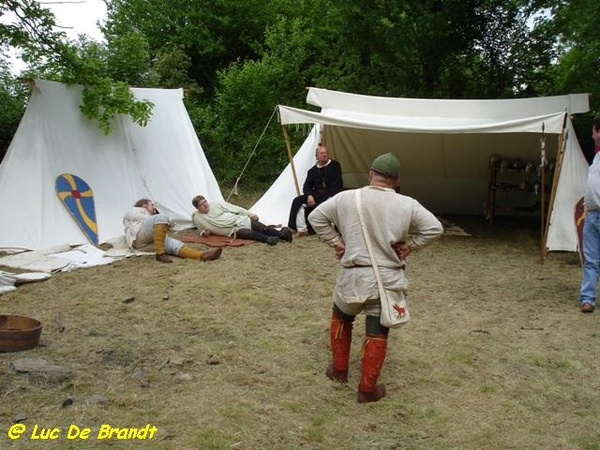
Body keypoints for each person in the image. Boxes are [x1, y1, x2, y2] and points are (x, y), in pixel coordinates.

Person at [308, 153, 443, 403]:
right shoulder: (407, 203)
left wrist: (337, 243)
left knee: (341, 316)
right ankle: (367, 390)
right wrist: (411, 246)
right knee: (377, 329)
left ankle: (339, 371)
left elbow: (315, 217)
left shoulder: (346, 197)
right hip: (386, 279)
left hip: (353, 275)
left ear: (370, 173)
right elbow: (434, 227)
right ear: (396, 180)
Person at [123, 198, 222, 263]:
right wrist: (161, 220)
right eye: (152, 205)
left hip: (145, 245)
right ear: (144, 205)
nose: (154, 207)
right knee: (160, 217)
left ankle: (202, 255)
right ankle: (160, 254)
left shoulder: (150, 218)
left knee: (175, 244)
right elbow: (147, 220)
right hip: (138, 237)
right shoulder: (134, 210)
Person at [288, 143, 343, 236]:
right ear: (317, 157)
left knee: (325, 205)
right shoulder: (312, 171)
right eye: (321, 153)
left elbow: (337, 182)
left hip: (330, 194)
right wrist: (309, 196)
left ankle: (328, 228)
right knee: (297, 201)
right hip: (316, 195)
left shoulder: (335, 165)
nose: (324, 155)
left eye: (325, 153)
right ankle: (302, 229)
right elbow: (307, 186)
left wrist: (331, 197)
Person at [192, 195, 293, 245]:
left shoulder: (217, 204)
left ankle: (282, 235)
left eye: (205, 202)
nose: (205, 205)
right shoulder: (197, 217)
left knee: (261, 227)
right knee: (248, 233)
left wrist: (250, 214)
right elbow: (200, 230)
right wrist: (204, 233)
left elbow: (235, 208)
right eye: (201, 204)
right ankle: (269, 240)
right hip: (232, 230)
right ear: (197, 208)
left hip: (239, 220)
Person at [579, 118, 600, 313]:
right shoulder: (596, 157)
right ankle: (588, 298)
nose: (592, 135)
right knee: (591, 259)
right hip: (593, 215)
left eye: (594, 131)